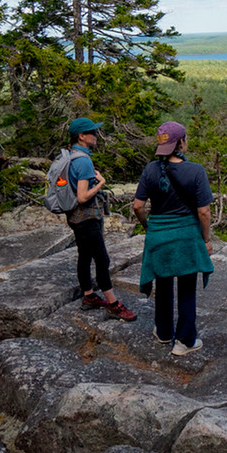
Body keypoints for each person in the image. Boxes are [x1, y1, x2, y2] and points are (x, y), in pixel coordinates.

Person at [131, 121, 215, 356]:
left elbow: (138, 206)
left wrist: (150, 227)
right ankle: (185, 341)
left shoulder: (150, 169)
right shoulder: (196, 171)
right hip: (186, 236)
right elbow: (203, 212)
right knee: (187, 287)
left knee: (163, 281)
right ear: (180, 143)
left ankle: (164, 332)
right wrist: (206, 240)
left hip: (159, 236)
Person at [66, 117, 137, 322]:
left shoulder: (72, 156)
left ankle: (89, 296)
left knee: (85, 256)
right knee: (102, 259)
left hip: (75, 217)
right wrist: (101, 183)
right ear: (82, 136)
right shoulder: (83, 161)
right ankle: (114, 304)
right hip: (87, 218)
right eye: (93, 132)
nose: (96, 136)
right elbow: (82, 196)